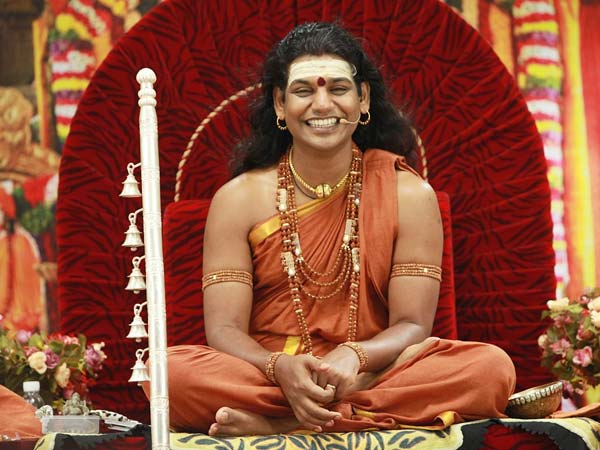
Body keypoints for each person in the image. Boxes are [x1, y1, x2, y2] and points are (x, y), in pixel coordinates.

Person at [153, 21, 516, 437]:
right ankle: (331, 414)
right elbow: (224, 329)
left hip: (371, 371)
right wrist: (279, 367)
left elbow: (413, 324)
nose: (322, 104)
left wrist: (354, 357)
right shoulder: (239, 198)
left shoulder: (409, 194)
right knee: (166, 373)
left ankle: (281, 424)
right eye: (304, 91)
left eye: (339, 89)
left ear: (363, 99)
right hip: (270, 377)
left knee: (489, 369)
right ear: (279, 104)